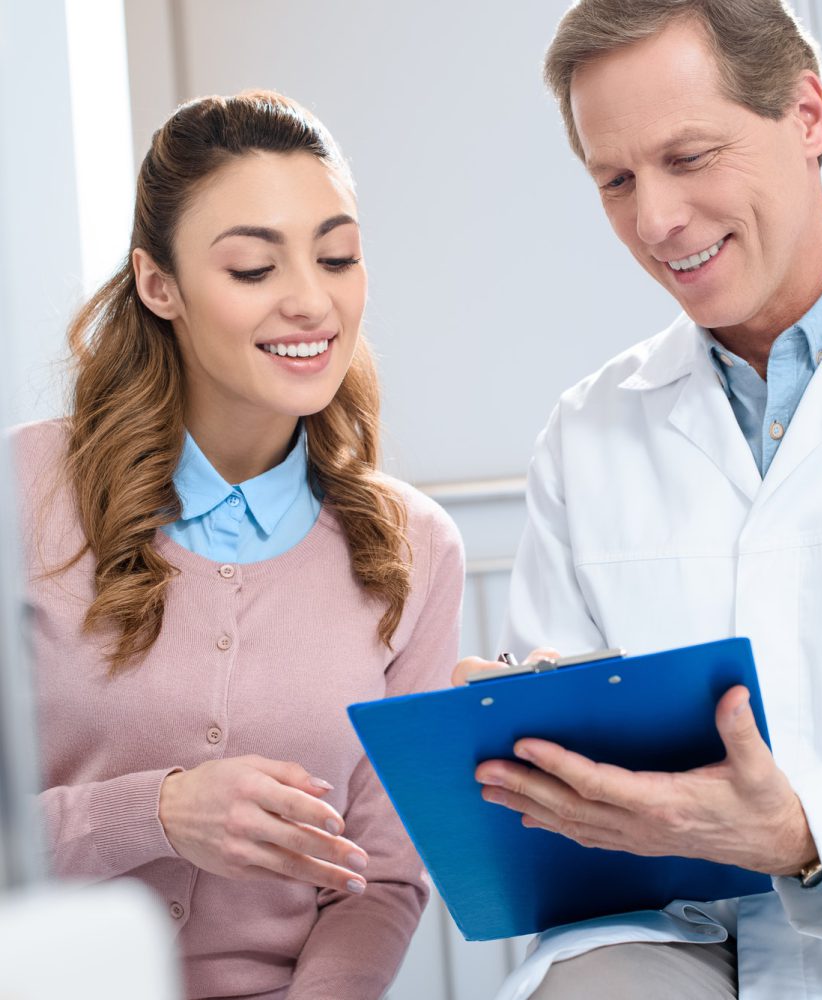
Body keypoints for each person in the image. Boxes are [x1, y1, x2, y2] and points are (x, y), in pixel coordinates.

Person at [454, 2, 822, 997]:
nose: (654, 219)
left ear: (805, 115)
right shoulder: (587, 433)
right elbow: (573, 795)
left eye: (689, 156)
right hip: (677, 947)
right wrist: (525, 734)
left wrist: (803, 828)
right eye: (614, 179)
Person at [13, 91, 464, 999]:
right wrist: (156, 812)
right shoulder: (23, 491)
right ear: (159, 285)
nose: (311, 300)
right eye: (254, 268)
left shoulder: (414, 547)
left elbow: (381, 877)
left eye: (338, 257)